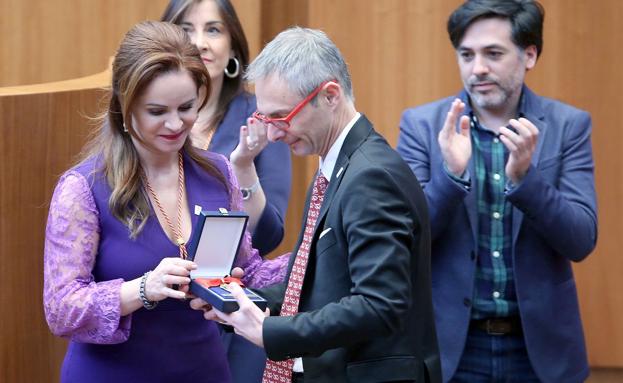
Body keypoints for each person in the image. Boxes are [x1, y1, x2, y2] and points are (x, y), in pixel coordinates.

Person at [191, 27, 442, 383]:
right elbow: (311, 287)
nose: (274, 134)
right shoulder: (336, 165)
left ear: (330, 96)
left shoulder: (371, 176)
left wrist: (271, 333)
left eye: (282, 117)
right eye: (266, 120)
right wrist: (240, 302)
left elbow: (380, 304)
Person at [43, 21, 287, 383]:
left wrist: (314, 256)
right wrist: (141, 290)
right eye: (157, 111)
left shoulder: (219, 174)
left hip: (204, 371)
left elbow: (248, 271)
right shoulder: (83, 188)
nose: (176, 124)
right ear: (124, 107)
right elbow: (61, 309)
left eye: (187, 107)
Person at [396, 1, 597, 382]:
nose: (478, 68)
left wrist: (526, 181)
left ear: (530, 54)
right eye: (467, 55)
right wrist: (451, 177)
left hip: (540, 351)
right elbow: (405, 238)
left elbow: (581, 239)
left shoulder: (568, 125)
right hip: (451, 349)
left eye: (493, 53)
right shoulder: (422, 126)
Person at [161, 0, 292, 257]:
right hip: (149, 276)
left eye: (213, 30)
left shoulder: (261, 118)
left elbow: (268, 236)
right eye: (186, 30)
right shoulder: (146, 115)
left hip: (227, 282)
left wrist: (244, 169)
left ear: (232, 47)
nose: (200, 43)